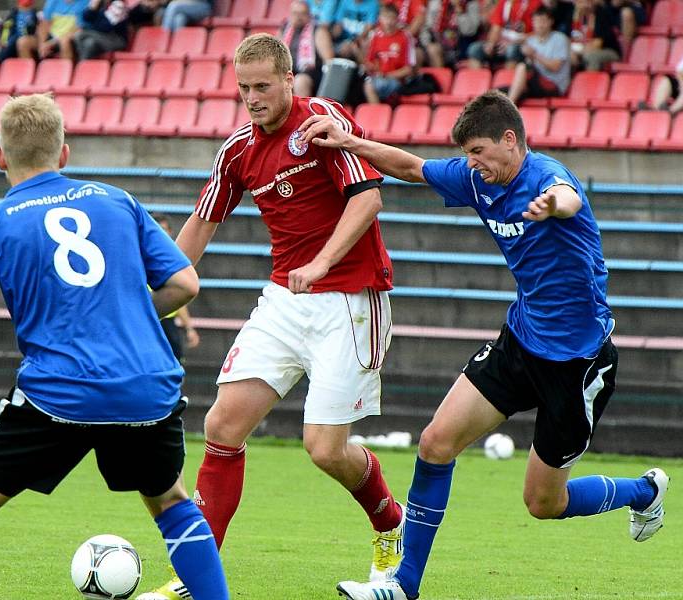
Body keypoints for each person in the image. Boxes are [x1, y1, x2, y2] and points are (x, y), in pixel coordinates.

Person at [298, 90, 669, 600]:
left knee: (544, 503)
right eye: (467, 154)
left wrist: (551, 206)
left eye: (478, 151)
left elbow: (571, 198)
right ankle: (404, 585)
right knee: (435, 442)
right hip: (519, 343)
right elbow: (411, 167)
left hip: (578, 364)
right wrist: (348, 140)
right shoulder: (478, 180)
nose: (472, 164)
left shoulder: (546, 179)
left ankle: (645, 491)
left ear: (509, 140)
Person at [0, 93, 229, 600]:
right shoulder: (117, 200)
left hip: (58, 393)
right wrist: (125, 319)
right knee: (170, 501)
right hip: (147, 386)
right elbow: (185, 284)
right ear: (64, 153)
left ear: (0, 157)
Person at [140, 32, 405, 600]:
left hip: (352, 299)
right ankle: (197, 578)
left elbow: (368, 200)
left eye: (263, 86)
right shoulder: (237, 150)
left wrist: (322, 261)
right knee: (222, 426)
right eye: (244, 88)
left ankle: (389, 522)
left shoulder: (323, 119)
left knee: (325, 450)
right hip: (285, 300)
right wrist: (151, 294)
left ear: (290, 79)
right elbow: (201, 226)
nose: (253, 97)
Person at [152, 212, 201, 362]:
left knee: (175, 365)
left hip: (167, 321)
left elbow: (178, 295)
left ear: (170, 232)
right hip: (149, 319)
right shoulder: (142, 256)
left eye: (164, 229)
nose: (161, 233)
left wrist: (188, 327)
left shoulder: (173, 258)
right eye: (157, 229)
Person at [505, 5, 570, 104]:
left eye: (543, 21)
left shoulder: (560, 39)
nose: (540, 25)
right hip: (534, 83)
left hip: (554, 85)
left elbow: (555, 67)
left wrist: (534, 54)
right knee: (497, 93)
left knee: (523, 67)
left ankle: (510, 107)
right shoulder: (531, 40)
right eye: (536, 21)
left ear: (551, 22)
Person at [362, 3, 417, 104]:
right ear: (380, 18)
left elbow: (408, 70)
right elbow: (369, 62)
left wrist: (387, 75)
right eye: (385, 17)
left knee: (369, 86)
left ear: (397, 19)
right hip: (378, 79)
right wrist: (369, 68)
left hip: (397, 81)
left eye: (391, 18)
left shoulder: (405, 37)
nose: (388, 22)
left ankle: (378, 116)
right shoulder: (376, 36)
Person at [466, 0, 543, 69]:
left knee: (512, 49)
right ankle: (478, 83)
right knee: (475, 49)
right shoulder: (504, 2)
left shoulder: (536, 3)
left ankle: (507, 82)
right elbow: (496, 28)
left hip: (523, 44)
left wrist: (512, 43)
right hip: (502, 43)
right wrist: (491, 43)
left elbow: (539, 33)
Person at [281, 0, 324, 97]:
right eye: (295, 13)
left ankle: (304, 112)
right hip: (291, 71)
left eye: (303, 13)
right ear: (290, 15)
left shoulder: (318, 30)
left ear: (309, 15)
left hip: (313, 73)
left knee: (300, 80)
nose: (299, 17)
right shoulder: (284, 29)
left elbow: (329, 61)